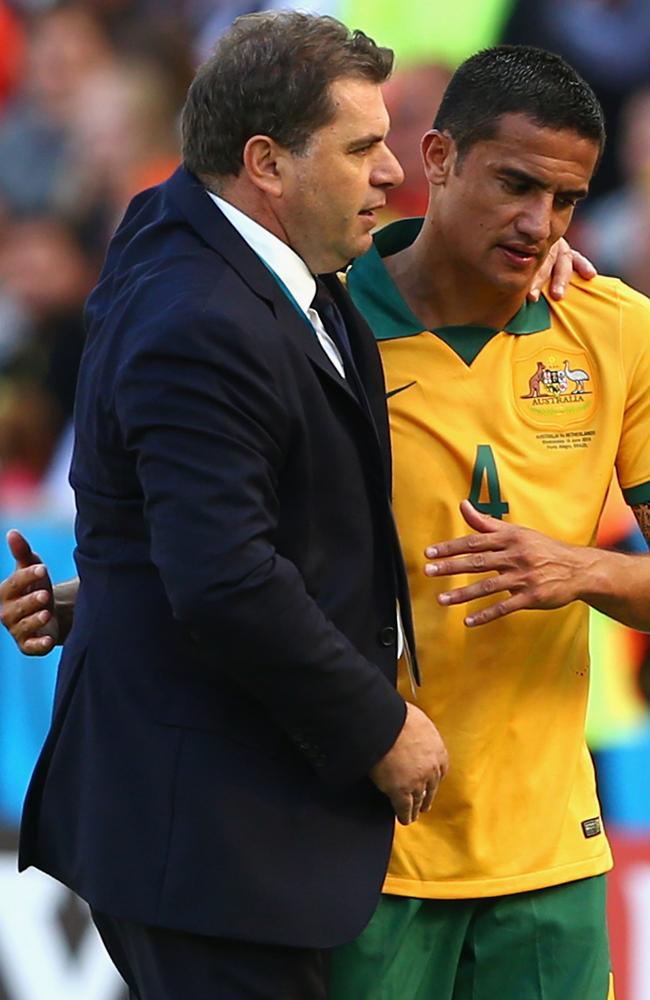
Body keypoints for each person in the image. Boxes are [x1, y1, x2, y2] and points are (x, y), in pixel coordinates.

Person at [0, 34, 604, 1000]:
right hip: (214, 838)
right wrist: (381, 729)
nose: (393, 168)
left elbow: (225, 521)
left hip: (271, 829)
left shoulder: (211, 242)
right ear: (267, 164)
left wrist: (110, 593)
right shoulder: (207, 310)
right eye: (363, 146)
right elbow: (228, 576)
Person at [324, 45, 650, 1000]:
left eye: (566, 200)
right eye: (514, 184)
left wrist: (581, 571)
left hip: (551, 857)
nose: (538, 222)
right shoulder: (319, 325)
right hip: (366, 850)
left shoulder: (616, 330)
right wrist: (108, 591)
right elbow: (248, 554)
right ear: (436, 156)